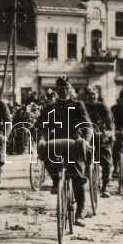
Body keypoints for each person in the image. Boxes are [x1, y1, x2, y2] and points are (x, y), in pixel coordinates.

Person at [35, 77, 92, 226]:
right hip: (56, 143)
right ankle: (55, 181)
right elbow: (43, 127)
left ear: (71, 89)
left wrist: (86, 140)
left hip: (74, 144)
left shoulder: (78, 105)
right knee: (45, 152)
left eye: (66, 88)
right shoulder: (50, 107)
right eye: (61, 88)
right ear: (56, 90)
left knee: (78, 178)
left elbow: (87, 125)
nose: (64, 91)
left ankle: (80, 211)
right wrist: (41, 139)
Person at [83, 85, 114, 198]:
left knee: (106, 162)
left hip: (100, 135)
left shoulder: (103, 107)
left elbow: (109, 122)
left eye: (93, 94)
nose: (91, 96)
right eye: (89, 94)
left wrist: (109, 132)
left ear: (97, 95)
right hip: (86, 136)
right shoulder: (83, 107)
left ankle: (105, 187)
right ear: (86, 96)